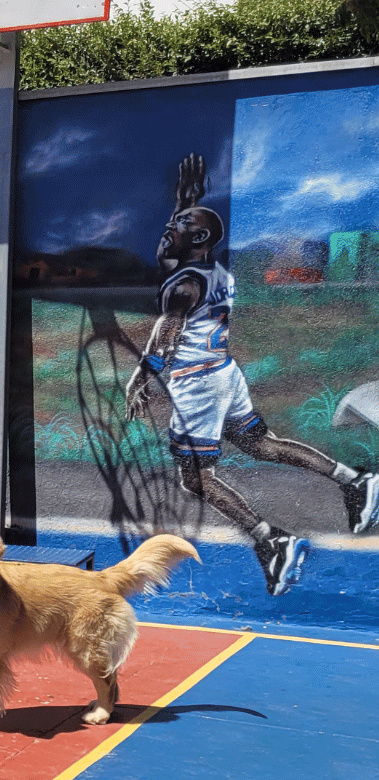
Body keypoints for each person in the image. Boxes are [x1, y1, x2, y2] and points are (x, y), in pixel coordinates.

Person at [126, 154, 379, 596]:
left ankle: (271, 540)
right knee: (260, 444)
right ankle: (354, 479)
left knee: (195, 478)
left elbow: (166, 335)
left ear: (199, 238)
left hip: (198, 386)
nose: (167, 232)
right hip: (225, 373)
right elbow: (173, 250)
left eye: (179, 226)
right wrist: (186, 202)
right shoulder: (214, 270)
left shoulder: (185, 284)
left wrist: (141, 377)